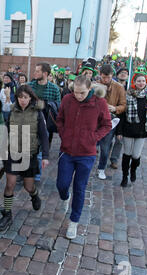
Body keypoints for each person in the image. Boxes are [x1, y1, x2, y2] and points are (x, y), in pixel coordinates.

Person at [56, 75, 111, 239]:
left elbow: (107, 124)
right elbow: (60, 119)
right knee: (62, 184)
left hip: (86, 154)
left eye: (82, 93)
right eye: (76, 92)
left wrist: (93, 138)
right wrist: (64, 134)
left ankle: (74, 221)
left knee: (80, 188)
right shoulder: (67, 99)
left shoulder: (99, 103)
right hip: (67, 151)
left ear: (89, 90)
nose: (78, 96)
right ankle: (65, 197)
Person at [0, 85, 50, 231]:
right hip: (12, 153)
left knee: (28, 186)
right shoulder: (12, 111)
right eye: (20, 97)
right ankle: (7, 214)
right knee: (10, 184)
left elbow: (44, 135)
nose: (23, 100)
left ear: (30, 98)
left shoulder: (37, 113)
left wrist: (45, 155)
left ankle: (34, 195)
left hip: (29, 154)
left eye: (25, 97)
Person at [117, 73, 147, 187]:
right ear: (134, 82)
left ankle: (133, 169)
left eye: (143, 81)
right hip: (129, 128)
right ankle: (124, 176)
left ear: (146, 82)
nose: (141, 83)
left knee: (136, 155)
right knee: (127, 154)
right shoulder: (127, 95)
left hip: (142, 129)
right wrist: (119, 131)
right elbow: (122, 115)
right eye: (138, 81)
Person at [28, 63, 61, 182]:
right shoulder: (29, 86)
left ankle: (36, 175)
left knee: (40, 151)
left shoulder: (54, 89)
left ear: (45, 74)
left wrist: (47, 105)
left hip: (45, 124)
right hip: (29, 122)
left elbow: (58, 107)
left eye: (37, 71)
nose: (35, 73)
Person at [96, 64, 126, 178]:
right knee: (92, 144)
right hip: (95, 119)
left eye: (108, 77)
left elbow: (123, 105)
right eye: (103, 77)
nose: (106, 80)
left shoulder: (119, 87)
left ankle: (101, 168)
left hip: (110, 120)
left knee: (105, 147)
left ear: (112, 75)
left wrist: (115, 108)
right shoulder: (95, 85)